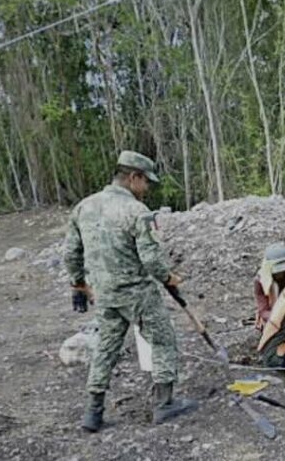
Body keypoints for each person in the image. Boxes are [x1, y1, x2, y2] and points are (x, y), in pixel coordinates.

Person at [64, 150, 198, 432]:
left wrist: (79, 284)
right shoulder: (137, 211)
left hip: (105, 294)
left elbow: (71, 254)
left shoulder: (83, 207)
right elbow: (151, 259)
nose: (147, 189)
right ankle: (165, 405)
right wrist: (169, 277)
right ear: (134, 177)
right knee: (162, 340)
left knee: (105, 349)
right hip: (138, 293)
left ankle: (93, 413)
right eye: (146, 182)